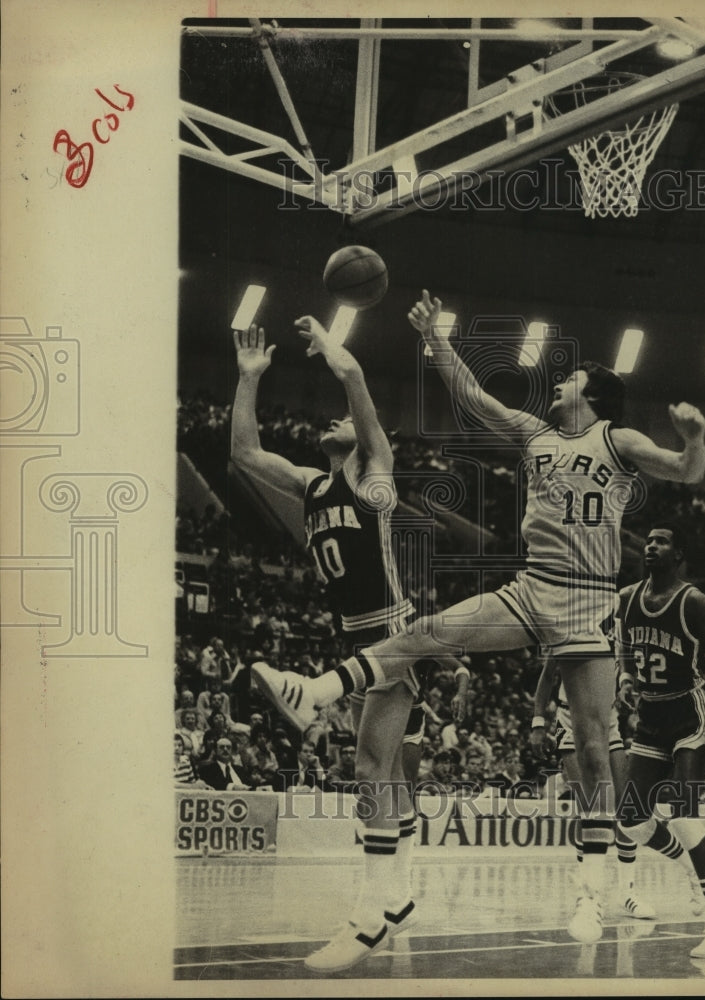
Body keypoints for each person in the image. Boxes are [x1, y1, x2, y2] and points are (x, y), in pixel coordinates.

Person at [254, 289, 705, 947]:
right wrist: (436, 342)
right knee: (424, 632)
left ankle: (592, 894)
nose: (560, 382)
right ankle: (316, 689)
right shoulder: (537, 435)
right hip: (532, 589)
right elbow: (474, 400)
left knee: (589, 750)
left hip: (586, 605)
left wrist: (694, 437)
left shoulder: (618, 437)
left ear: (595, 395)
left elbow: (686, 470)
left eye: (571, 379)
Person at [232, 317, 419, 972]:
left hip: (391, 635)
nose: (335, 421)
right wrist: (248, 380)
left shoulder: (374, 478)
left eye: (345, 420)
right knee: (384, 775)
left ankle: (369, 916)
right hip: (357, 644)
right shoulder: (312, 485)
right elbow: (246, 456)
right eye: (334, 419)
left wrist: (336, 353)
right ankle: (397, 895)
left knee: (372, 771)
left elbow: (358, 387)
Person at [615, 522, 705, 959]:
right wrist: (626, 676)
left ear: (678, 553)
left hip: (688, 713)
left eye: (660, 541)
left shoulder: (693, 601)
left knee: (684, 817)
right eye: (648, 540)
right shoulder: (627, 598)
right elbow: (624, 649)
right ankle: (690, 864)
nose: (650, 546)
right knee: (630, 820)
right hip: (650, 716)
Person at [530, 656, 657, 920]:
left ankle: (627, 891)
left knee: (627, 808)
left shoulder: (616, 624)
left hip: (607, 718)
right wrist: (538, 722)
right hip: (571, 717)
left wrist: (625, 684)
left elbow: (625, 664)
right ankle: (588, 892)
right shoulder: (570, 623)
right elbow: (546, 676)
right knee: (590, 806)